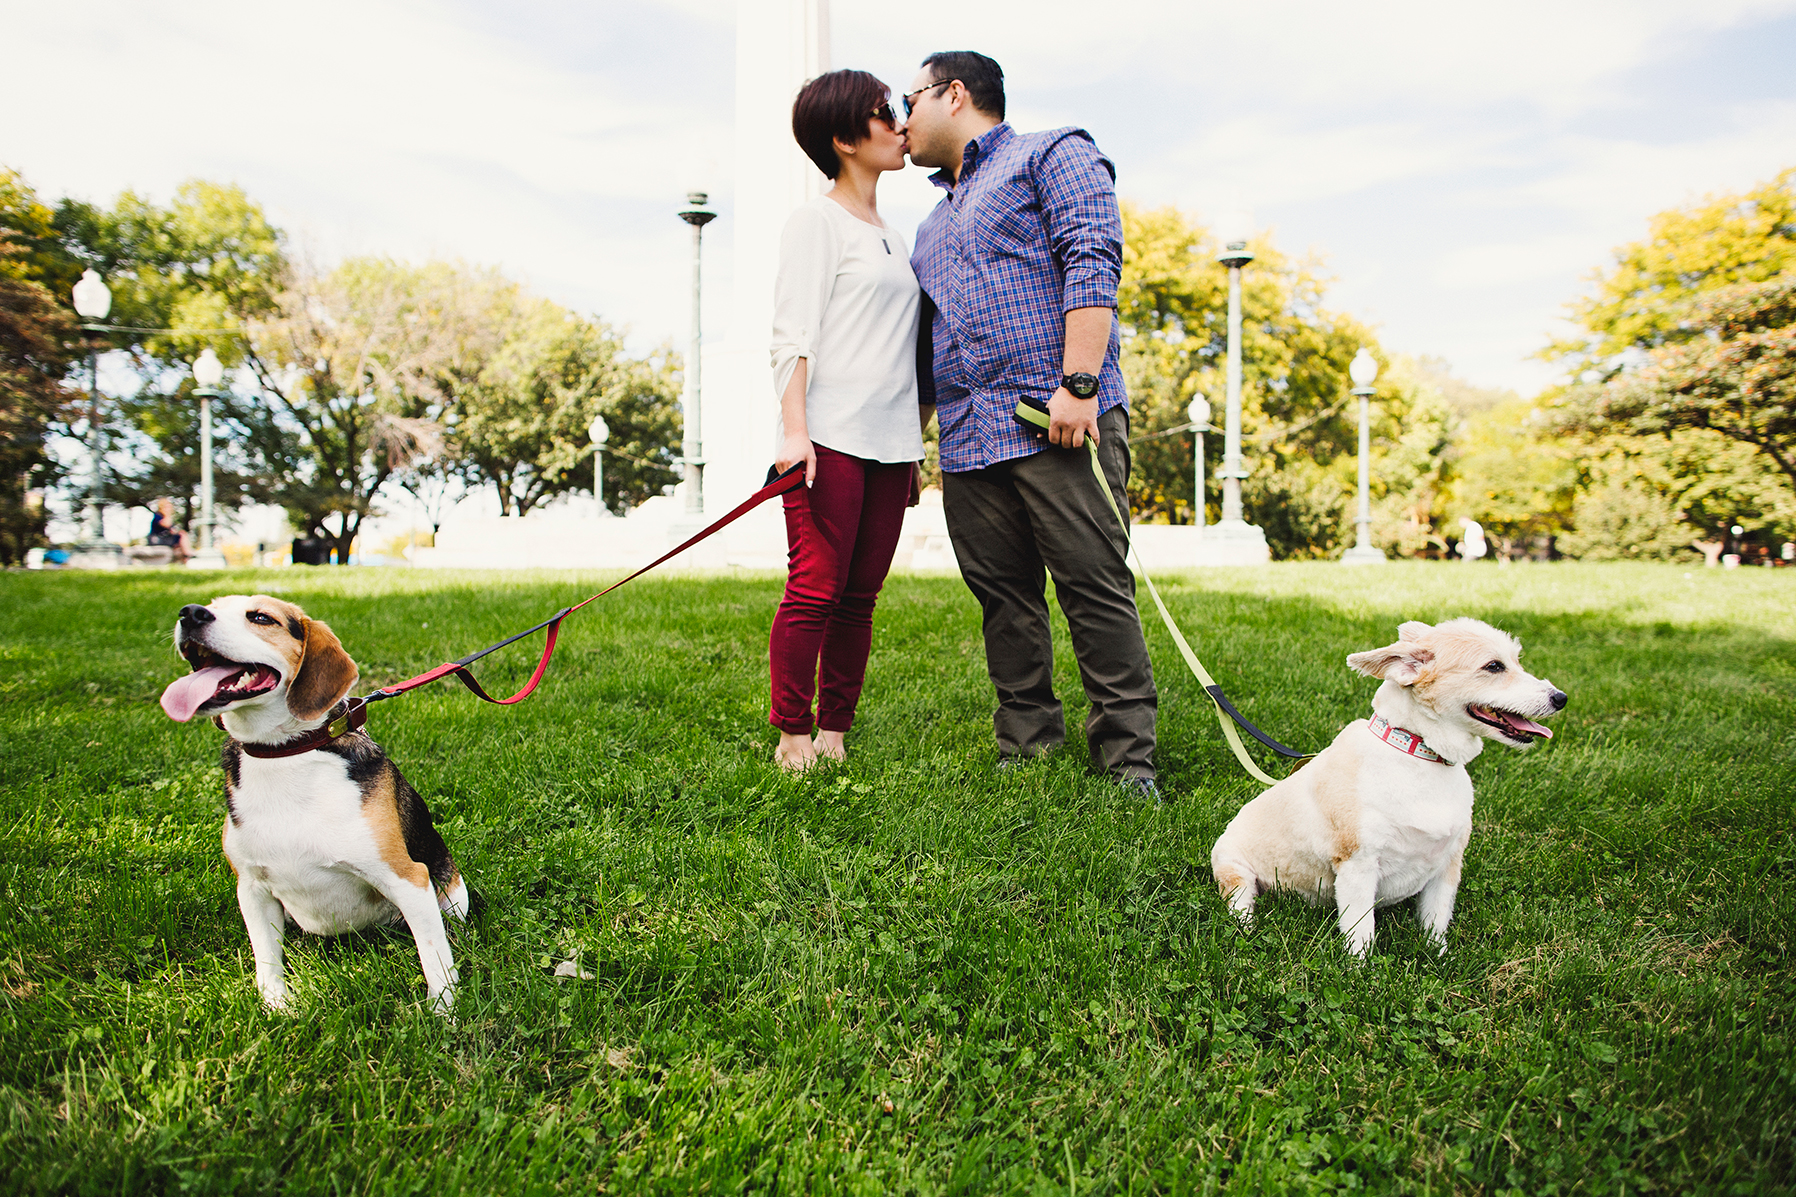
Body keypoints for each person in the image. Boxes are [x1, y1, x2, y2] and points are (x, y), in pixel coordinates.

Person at [905, 51, 1159, 798]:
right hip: (969, 439)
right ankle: (1028, 744)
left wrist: (1079, 383)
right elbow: (927, 343)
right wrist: (916, 448)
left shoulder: (1052, 153)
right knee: (1003, 598)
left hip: (1058, 420)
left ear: (955, 95)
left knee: (1093, 585)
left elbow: (1092, 258)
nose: (900, 118)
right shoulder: (927, 226)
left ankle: (1127, 759)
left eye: (909, 98)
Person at [766, 69, 930, 772]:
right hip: (827, 440)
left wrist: (912, 449)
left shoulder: (894, 234)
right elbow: (791, 334)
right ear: (842, 138)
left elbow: (902, 353)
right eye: (882, 114)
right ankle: (792, 734)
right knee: (814, 588)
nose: (899, 124)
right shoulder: (817, 221)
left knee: (859, 598)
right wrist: (794, 431)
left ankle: (835, 730)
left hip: (890, 448)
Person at [147, 497, 192, 561]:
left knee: (181, 535)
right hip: (157, 540)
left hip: (167, 539)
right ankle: (187, 553)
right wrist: (167, 514)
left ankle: (186, 557)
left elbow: (171, 531)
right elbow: (166, 524)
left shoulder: (167, 518)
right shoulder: (158, 516)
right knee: (182, 534)